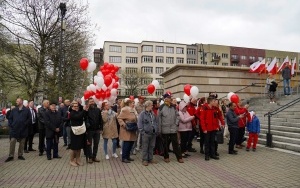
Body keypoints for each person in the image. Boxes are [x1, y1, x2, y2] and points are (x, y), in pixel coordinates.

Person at [158, 92, 183, 163]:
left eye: (170, 98)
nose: (170, 99)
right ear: (165, 99)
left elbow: (178, 116)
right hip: (164, 129)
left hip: (173, 128)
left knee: (176, 143)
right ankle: (166, 156)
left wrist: (176, 123)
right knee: (165, 144)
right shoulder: (161, 107)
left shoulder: (173, 106)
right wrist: (159, 130)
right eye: (169, 98)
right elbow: (159, 119)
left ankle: (179, 157)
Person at [5, 98, 31, 162]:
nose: (16, 102)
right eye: (16, 101)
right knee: (12, 141)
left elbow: (29, 119)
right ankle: (11, 156)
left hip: (23, 129)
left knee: (22, 143)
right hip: (14, 129)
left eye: (17, 101)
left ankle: (20, 155)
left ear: (21, 101)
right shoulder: (14, 110)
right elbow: (10, 118)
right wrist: (11, 125)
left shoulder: (27, 110)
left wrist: (25, 124)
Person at [138, 100, 158, 166]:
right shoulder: (142, 114)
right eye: (151, 105)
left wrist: (156, 128)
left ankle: (150, 158)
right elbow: (139, 123)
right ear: (148, 106)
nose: (152, 106)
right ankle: (145, 159)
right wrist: (142, 131)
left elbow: (155, 121)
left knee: (151, 146)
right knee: (145, 147)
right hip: (146, 133)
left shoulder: (152, 113)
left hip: (153, 133)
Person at [117, 98, 138, 163]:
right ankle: (124, 157)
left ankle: (128, 156)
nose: (134, 104)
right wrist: (124, 125)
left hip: (132, 128)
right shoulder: (125, 109)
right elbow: (119, 118)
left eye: (134, 103)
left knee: (131, 143)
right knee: (126, 144)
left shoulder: (133, 110)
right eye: (132, 103)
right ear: (129, 104)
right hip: (126, 129)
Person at [85, 98, 103, 163]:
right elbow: (85, 118)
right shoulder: (86, 110)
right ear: (88, 103)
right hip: (89, 130)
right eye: (90, 102)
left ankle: (94, 157)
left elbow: (101, 120)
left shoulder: (98, 110)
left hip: (97, 130)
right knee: (89, 144)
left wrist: (101, 128)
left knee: (96, 144)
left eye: (92, 101)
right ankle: (90, 157)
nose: (92, 103)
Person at [69, 101, 86, 166]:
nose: (76, 107)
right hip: (74, 131)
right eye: (74, 106)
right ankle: (71, 160)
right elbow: (78, 117)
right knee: (73, 147)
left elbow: (82, 114)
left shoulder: (79, 111)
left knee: (79, 146)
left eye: (77, 106)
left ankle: (78, 159)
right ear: (72, 107)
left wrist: (82, 107)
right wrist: (83, 110)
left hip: (80, 130)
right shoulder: (72, 113)